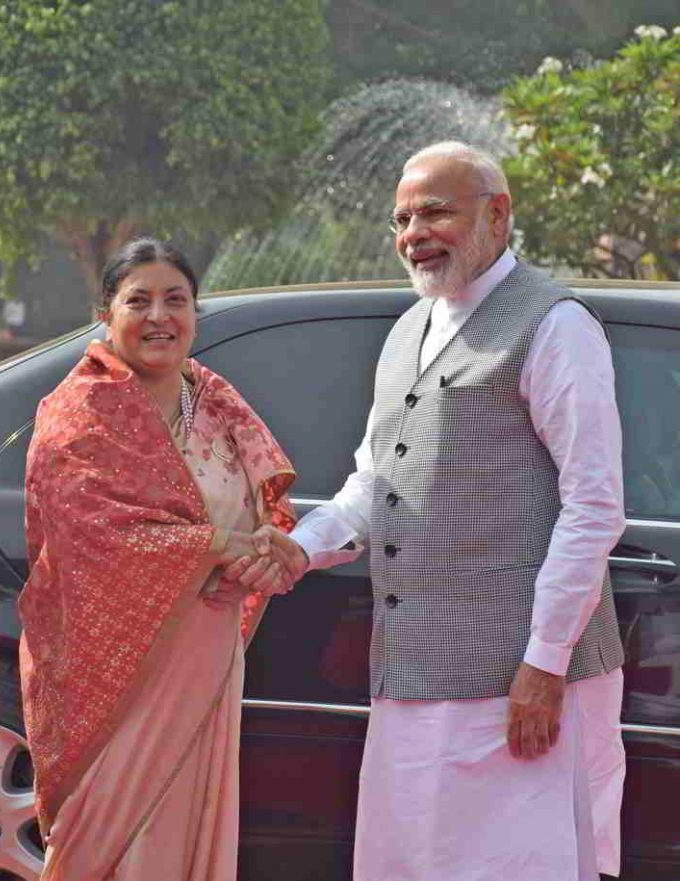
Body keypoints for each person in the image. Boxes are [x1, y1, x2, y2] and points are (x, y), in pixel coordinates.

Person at [234, 142, 627, 880]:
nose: (414, 230)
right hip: (411, 675)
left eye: (435, 210)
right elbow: (375, 479)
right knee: (411, 862)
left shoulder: (554, 325)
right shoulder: (408, 330)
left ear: (498, 212)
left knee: (514, 865)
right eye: (401, 217)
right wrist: (300, 546)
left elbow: (594, 504)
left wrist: (543, 663)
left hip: (519, 683)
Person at [18, 237, 297, 881]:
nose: (159, 317)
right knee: (113, 833)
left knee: (191, 825)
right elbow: (89, 536)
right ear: (103, 314)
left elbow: (265, 508)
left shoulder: (218, 402)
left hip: (207, 649)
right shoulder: (78, 412)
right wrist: (216, 546)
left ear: (196, 313)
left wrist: (270, 551)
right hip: (118, 667)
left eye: (176, 300)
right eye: (137, 300)